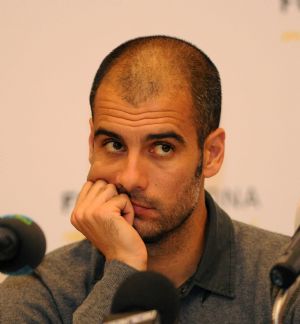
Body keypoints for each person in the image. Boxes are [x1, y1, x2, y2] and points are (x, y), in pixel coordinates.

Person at [0, 35, 299, 323]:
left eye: (162, 148)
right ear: (91, 144)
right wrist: (122, 269)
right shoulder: (38, 294)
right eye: (114, 145)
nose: (130, 179)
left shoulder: (288, 287)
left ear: (211, 154)